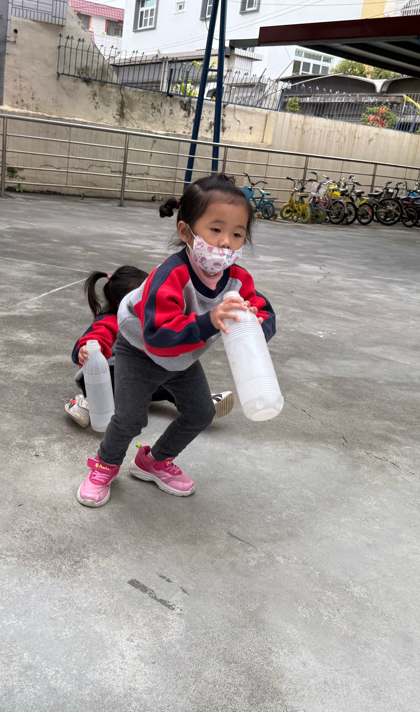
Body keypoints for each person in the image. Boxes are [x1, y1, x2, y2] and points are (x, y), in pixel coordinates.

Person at [77, 174, 276, 507]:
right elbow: (160, 336)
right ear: (186, 231)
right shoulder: (170, 275)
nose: (226, 243)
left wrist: (257, 325)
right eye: (216, 229)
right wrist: (209, 320)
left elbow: (262, 309)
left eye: (237, 234)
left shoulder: (238, 280)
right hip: (141, 352)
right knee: (129, 419)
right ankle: (105, 466)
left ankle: (154, 461)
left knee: (200, 413)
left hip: (182, 357)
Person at [66, 266, 233, 427]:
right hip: (106, 378)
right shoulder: (112, 320)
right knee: (113, 399)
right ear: (122, 303)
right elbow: (97, 337)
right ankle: (85, 404)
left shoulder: (154, 319)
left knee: (169, 377)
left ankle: (198, 400)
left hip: (136, 377)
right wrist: (87, 349)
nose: (153, 301)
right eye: (145, 298)